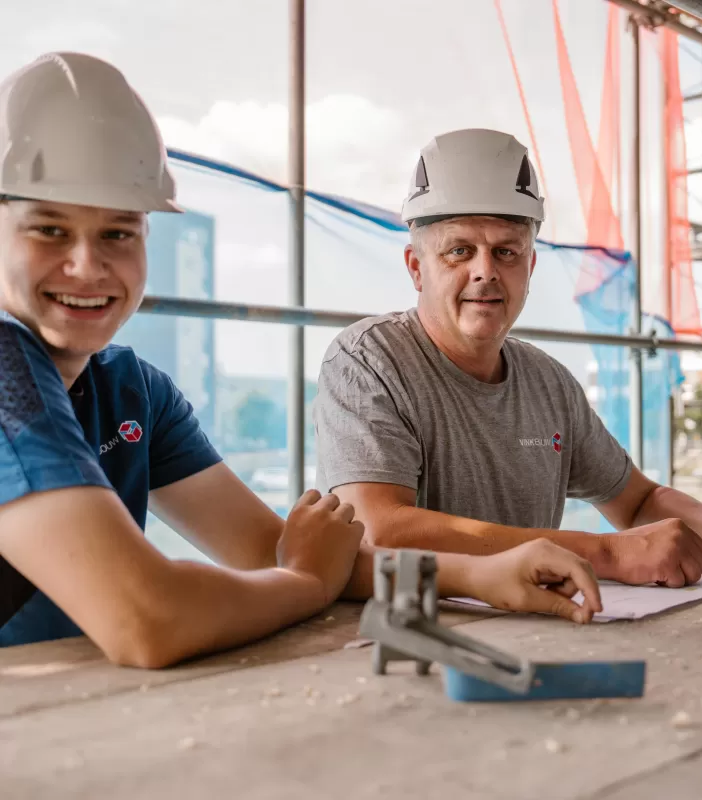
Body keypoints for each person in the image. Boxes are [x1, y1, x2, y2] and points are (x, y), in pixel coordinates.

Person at [0, 55, 604, 667]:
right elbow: (149, 617)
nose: (87, 265)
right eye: (49, 230)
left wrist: (483, 577)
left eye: (118, 233)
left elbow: (269, 548)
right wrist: (306, 586)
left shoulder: (132, 392)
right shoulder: (4, 367)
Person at [314, 127, 702, 588]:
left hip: (532, 632)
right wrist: (607, 554)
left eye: (506, 252)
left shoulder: (546, 383)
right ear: (416, 268)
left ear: (530, 265)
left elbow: (639, 502)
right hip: (402, 640)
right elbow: (379, 530)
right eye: (459, 251)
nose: (485, 272)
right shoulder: (369, 361)